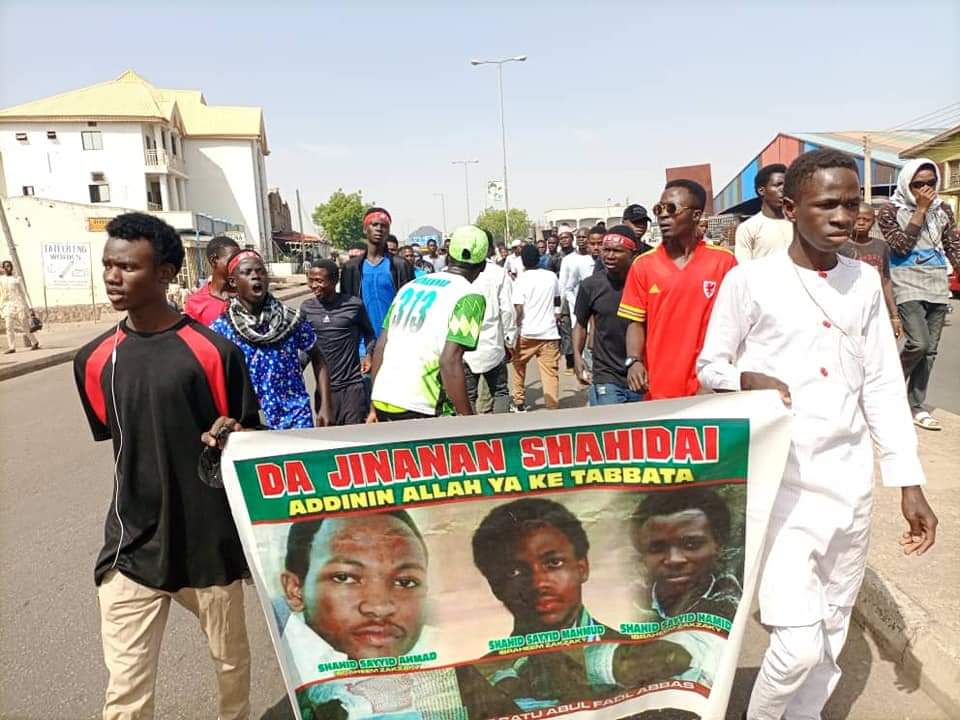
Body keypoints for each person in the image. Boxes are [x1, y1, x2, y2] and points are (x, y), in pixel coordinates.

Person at [696, 148, 938, 720]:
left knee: (829, 634)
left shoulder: (861, 281)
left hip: (848, 485)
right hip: (782, 487)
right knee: (797, 644)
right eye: (826, 204)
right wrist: (741, 378)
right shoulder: (750, 281)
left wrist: (906, 480)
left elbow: (881, 383)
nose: (842, 216)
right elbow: (710, 365)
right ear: (790, 205)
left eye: (851, 204)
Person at [73, 212, 258, 720]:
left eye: (128, 267)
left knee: (231, 671)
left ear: (166, 274)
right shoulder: (92, 360)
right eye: (108, 265)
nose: (113, 276)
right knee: (125, 694)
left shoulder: (215, 353)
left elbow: (250, 437)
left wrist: (233, 435)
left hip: (208, 547)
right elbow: (122, 441)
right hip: (131, 550)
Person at [472, 498, 691, 701]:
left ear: (582, 568)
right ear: (495, 586)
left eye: (553, 563)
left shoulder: (641, 656)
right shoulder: (477, 678)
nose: (538, 583)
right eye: (515, 572)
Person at [619, 179, 737, 399]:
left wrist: (721, 378)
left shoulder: (724, 262)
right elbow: (636, 322)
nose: (663, 215)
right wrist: (634, 360)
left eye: (672, 209)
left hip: (710, 387)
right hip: (659, 388)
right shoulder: (643, 265)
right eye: (659, 209)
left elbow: (738, 327)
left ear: (696, 215)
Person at [280, 513, 434, 667]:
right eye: (344, 578)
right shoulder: (277, 663)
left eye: (405, 582)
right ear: (295, 590)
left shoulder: (449, 650)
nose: (379, 608)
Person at [368, 225, 488, 421]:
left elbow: (381, 347)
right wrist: (467, 419)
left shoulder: (410, 287)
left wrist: (373, 405)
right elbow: (449, 360)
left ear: (448, 255)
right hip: (422, 404)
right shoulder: (470, 297)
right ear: (482, 266)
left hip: (383, 398)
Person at [878, 158, 960, 431]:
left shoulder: (944, 210)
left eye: (931, 183)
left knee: (931, 351)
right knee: (919, 344)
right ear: (907, 184)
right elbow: (900, 247)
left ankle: (915, 405)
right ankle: (889, 388)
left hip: (936, 282)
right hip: (906, 283)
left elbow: (952, 246)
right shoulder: (890, 211)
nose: (925, 189)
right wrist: (920, 211)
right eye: (918, 184)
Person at [212, 250, 331, 429]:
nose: (256, 277)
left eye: (261, 272)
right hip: (251, 423)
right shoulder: (222, 329)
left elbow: (318, 357)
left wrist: (325, 405)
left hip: (296, 417)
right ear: (233, 281)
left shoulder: (291, 319)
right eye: (247, 272)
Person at [630, 489, 741, 621]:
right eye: (657, 548)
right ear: (642, 556)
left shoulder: (739, 607)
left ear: (718, 545)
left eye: (691, 545)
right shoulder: (623, 606)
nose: (674, 560)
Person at [301, 259, 376, 426]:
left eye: (320, 281)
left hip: (352, 387)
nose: (314, 285)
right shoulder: (307, 308)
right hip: (324, 391)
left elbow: (369, 333)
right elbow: (304, 346)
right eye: (311, 280)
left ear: (334, 281)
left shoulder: (353, 305)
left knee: (354, 438)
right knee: (329, 439)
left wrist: (369, 355)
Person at [573, 226, 642, 405]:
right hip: (606, 374)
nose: (609, 255)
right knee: (611, 429)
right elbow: (580, 324)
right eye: (606, 249)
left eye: (617, 251)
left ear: (633, 254)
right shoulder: (590, 286)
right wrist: (577, 356)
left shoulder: (644, 284)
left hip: (640, 371)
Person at [339, 207, 414, 359]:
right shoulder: (351, 268)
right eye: (374, 225)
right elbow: (346, 308)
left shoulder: (400, 266)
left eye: (384, 226)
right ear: (365, 229)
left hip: (395, 343)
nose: (379, 229)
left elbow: (411, 306)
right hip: (363, 345)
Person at [463, 230, 517, 414]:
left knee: (467, 395)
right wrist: (510, 340)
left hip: (462, 345)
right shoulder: (498, 273)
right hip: (493, 344)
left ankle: (468, 438)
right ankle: (500, 436)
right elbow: (507, 311)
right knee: (500, 391)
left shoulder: (454, 273)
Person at [512, 243, 562, 411]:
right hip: (549, 333)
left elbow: (518, 308)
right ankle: (552, 407)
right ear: (539, 258)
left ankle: (519, 402)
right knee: (550, 373)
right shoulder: (551, 276)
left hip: (527, 332)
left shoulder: (520, 280)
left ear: (523, 261)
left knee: (518, 366)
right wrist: (555, 315)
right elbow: (557, 300)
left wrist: (515, 326)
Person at [840, 203, 901, 339]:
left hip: (876, 308)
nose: (861, 223)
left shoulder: (881, 246)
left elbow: (885, 281)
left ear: (873, 222)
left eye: (866, 219)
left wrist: (894, 315)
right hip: (850, 309)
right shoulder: (840, 247)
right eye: (857, 219)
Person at [735, 163, 793, 261]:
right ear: (762, 191)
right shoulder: (748, 228)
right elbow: (744, 269)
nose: (783, 189)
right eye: (778, 185)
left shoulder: (798, 223)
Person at [558, 228, 595, 374]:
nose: (581, 239)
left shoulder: (596, 258)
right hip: (576, 307)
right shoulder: (568, 260)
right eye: (579, 237)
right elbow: (564, 286)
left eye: (584, 237)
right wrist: (560, 309)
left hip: (596, 308)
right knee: (580, 337)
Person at [184, 235, 240, 326]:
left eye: (239, 260)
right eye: (233, 259)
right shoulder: (195, 303)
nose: (238, 264)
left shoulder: (247, 295)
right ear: (214, 261)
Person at [0, 260, 39, 352]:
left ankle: (34, 342)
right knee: (9, 326)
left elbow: (24, 293)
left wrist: (29, 307)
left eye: (8, 266)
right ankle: (12, 347)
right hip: (7, 305)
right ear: (2, 268)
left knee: (24, 325)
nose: (7, 268)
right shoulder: (1, 279)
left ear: (11, 267)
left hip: (19, 304)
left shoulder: (17, 278)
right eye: (5, 266)